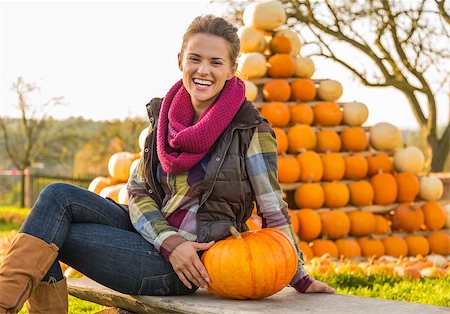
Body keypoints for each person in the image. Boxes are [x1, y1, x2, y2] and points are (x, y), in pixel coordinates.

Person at [0, 14, 334, 314]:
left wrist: (299, 275)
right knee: (57, 196)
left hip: (188, 263)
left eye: (216, 62)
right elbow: (138, 190)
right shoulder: (162, 120)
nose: (203, 70)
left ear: (232, 69)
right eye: (195, 59)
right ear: (180, 61)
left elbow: (274, 210)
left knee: (48, 236)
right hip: (155, 237)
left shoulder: (250, 130)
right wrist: (168, 240)